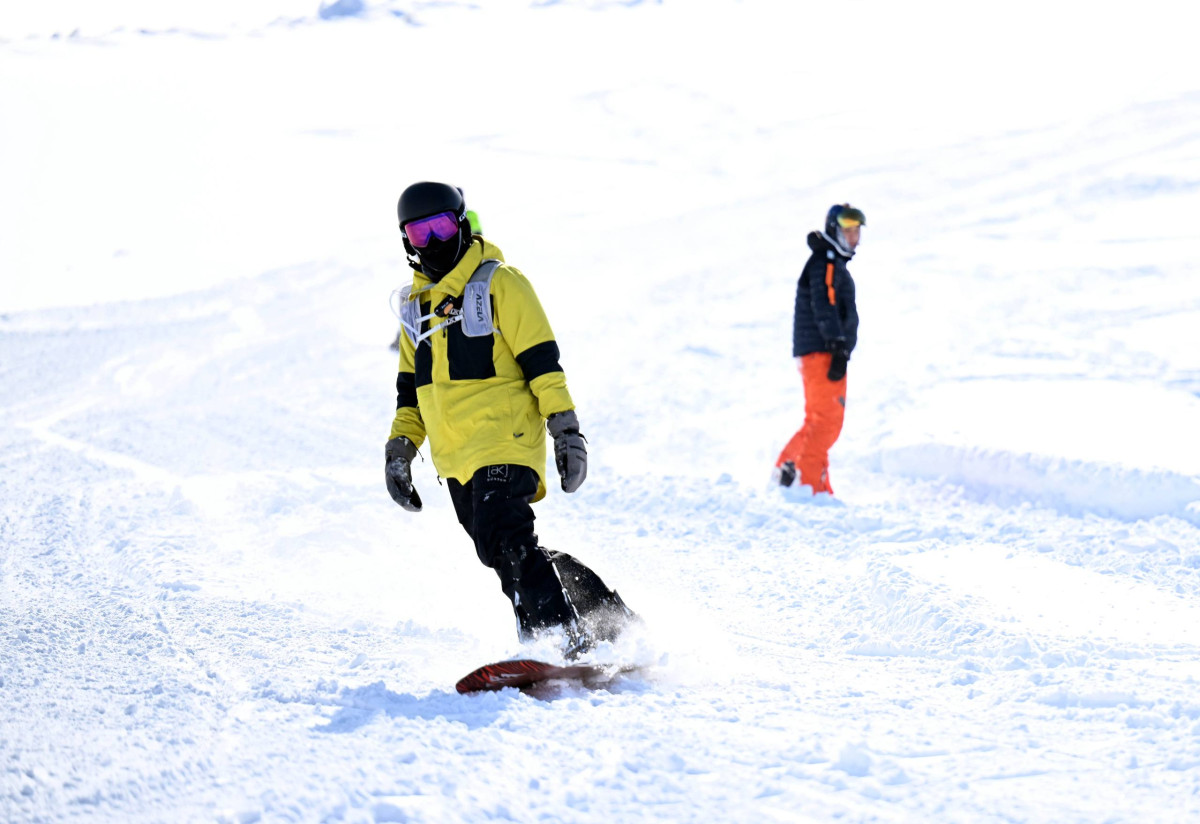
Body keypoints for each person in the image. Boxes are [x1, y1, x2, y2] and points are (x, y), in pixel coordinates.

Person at [384, 181, 635, 657]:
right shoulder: (416, 312)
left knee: (505, 537)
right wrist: (400, 450)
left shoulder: (501, 284)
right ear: (407, 242)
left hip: (505, 439)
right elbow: (409, 394)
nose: (433, 242)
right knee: (506, 550)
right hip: (456, 458)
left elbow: (543, 364)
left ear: (462, 225)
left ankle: (556, 640)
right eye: (420, 233)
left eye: (441, 228)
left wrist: (565, 430)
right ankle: (608, 620)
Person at [774, 203, 865, 495]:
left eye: (857, 231)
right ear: (834, 230)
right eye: (848, 231)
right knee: (826, 422)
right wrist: (837, 344)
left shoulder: (830, 261)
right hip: (822, 351)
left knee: (819, 421)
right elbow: (823, 302)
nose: (853, 237)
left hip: (820, 350)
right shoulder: (826, 261)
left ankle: (789, 472)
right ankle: (808, 484)